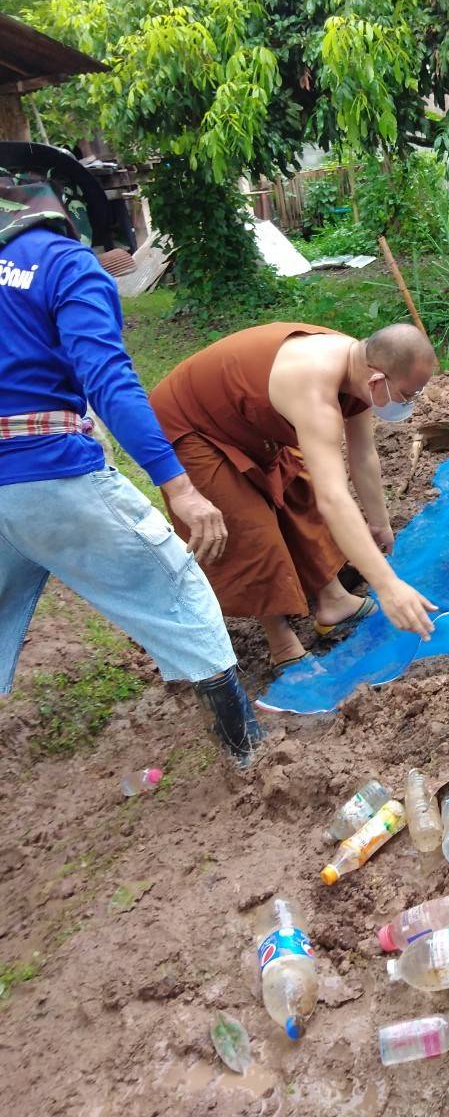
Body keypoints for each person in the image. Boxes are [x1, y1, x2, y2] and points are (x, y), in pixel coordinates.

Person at [0, 143, 264, 762]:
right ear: (66, 209)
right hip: (49, 474)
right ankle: (249, 757)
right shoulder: (66, 264)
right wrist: (179, 485)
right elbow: (109, 379)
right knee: (179, 590)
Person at [149, 322, 439, 671]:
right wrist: (388, 586)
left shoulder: (360, 366)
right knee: (248, 525)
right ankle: (282, 643)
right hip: (189, 422)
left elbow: (362, 455)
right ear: (377, 381)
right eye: (408, 395)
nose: (409, 403)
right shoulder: (316, 391)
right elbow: (334, 499)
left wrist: (379, 523)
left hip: (243, 418)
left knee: (299, 490)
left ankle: (334, 601)